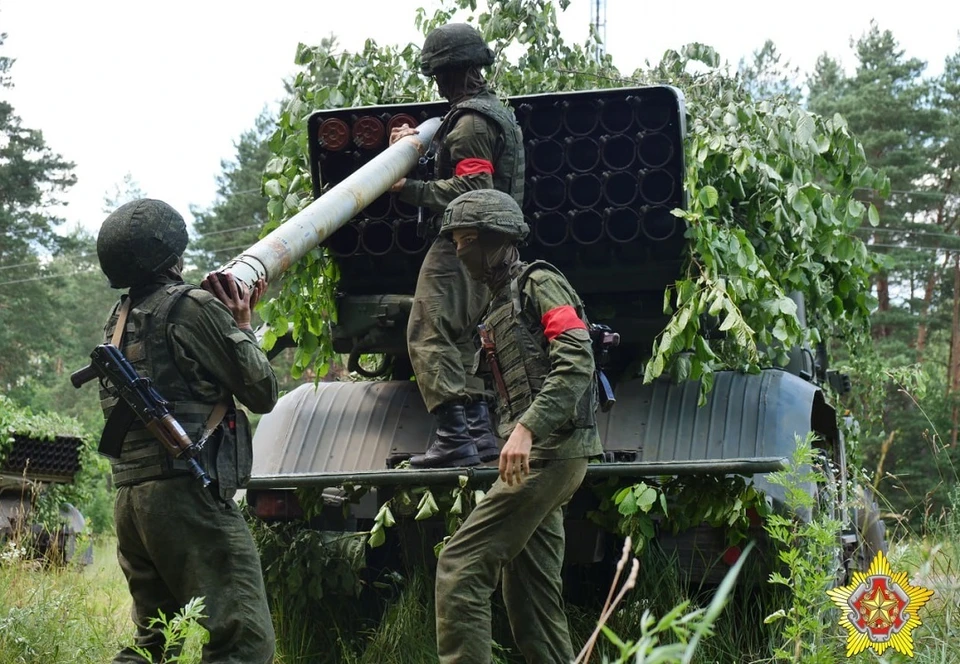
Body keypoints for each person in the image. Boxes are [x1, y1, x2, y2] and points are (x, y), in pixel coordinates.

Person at [95, 198, 276, 664]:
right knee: (244, 641)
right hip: (186, 495)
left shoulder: (116, 320)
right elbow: (262, 392)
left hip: (132, 501)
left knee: (155, 642)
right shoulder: (191, 308)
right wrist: (241, 324)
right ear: (174, 256)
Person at [432, 190, 603, 664]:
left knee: (460, 565)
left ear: (496, 239)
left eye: (468, 240)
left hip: (552, 451)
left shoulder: (540, 282)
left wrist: (526, 429)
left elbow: (575, 360)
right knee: (531, 597)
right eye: (457, 241)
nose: (461, 251)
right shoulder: (498, 302)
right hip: (543, 455)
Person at [388, 22, 526, 468]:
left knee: (427, 331)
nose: (438, 85)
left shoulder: (468, 124)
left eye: (438, 75)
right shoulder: (492, 112)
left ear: (451, 73)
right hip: (490, 243)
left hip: (464, 241)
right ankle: (479, 435)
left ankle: (452, 439)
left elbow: (473, 187)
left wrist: (407, 187)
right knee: (465, 337)